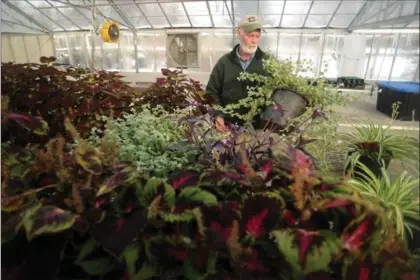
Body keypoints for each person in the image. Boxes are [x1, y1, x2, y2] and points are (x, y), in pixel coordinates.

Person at [206, 15, 268, 132]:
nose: (254, 41)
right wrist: (218, 115)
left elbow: (277, 94)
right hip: (228, 128)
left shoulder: (268, 62)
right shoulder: (225, 62)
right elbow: (211, 92)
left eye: (257, 36)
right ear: (239, 33)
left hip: (257, 131)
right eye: (250, 36)